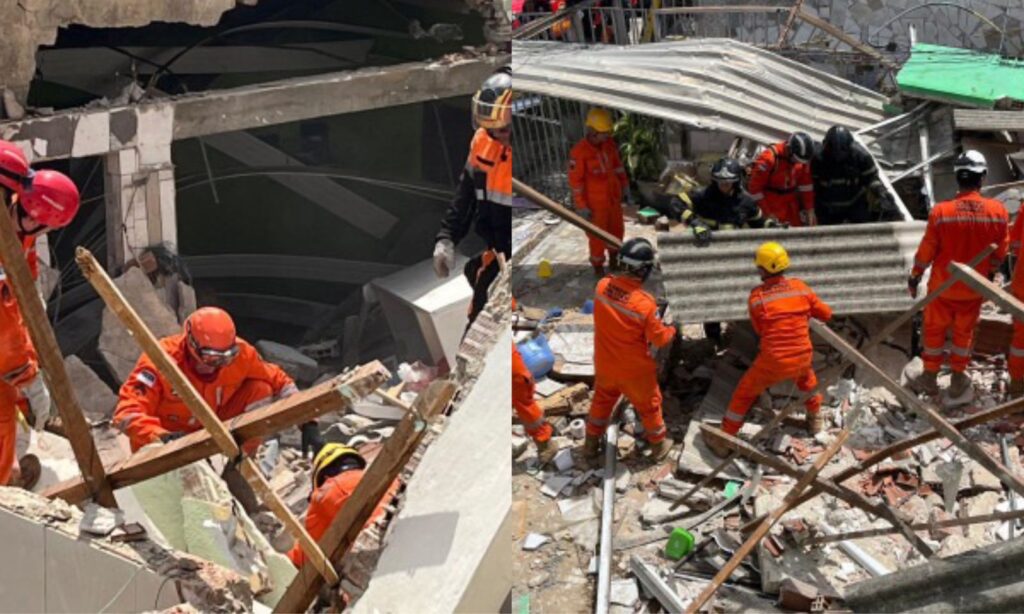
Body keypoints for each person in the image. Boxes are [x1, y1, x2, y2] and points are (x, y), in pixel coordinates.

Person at [703, 242, 832, 457]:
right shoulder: (801, 288)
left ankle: (724, 439)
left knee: (744, 393)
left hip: (774, 360)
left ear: (762, 269)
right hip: (802, 355)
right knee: (807, 382)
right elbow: (826, 314)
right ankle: (815, 421)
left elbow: (759, 329)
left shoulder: (757, 298)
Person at [0, 149, 81, 489]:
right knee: (3, 414)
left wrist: (30, 361)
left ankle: (11, 470)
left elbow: (21, 299)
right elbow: (3, 324)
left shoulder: (18, 223)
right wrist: (26, 375)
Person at [112, 307, 299, 453]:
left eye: (226, 358)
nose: (217, 365)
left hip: (209, 428)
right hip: (164, 441)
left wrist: (308, 422)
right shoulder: (160, 361)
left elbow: (280, 381)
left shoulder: (242, 355)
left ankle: (239, 466)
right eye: (210, 358)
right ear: (191, 344)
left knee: (260, 389)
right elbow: (126, 414)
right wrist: (161, 437)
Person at [908, 150, 1008, 399]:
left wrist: (915, 275)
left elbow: (926, 251)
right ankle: (957, 380)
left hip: (943, 287)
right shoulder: (998, 212)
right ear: (982, 176)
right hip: (973, 289)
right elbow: (1001, 253)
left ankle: (929, 377)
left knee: (933, 332)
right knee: (964, 334)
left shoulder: (941, 212)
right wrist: (992, 271)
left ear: (957, 177)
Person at [584, 238, 676, 466]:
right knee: (649, 405)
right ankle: (658, 447)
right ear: (643, 270)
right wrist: (672, 327)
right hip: (634, 370)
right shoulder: (644, 304)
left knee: (602, 400)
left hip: (605, 363)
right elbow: (660, 339)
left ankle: (590, 445)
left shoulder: (602, 286)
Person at [433, 67, 513, 329]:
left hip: (512, 254)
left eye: (503, 130)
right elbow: (465, 194)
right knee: (476, 292)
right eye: (491, 130)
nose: (496, 136)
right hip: (496, 247)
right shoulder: (482, 141)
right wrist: (447, 237)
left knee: (483, 322)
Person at [288, 443, 397, 568]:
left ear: (323, 475)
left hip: (368, 559)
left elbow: (308, 553)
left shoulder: (326, 492)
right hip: (398, 543)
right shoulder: (387, 478)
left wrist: (290, 557)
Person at [569, 107, 628, 276]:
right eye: (603, 133)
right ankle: (598, 268)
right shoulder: (579, 152)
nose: (607, 136)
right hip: (595, 205)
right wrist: (581, 206)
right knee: (597, 238)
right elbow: (576, 182)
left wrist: (624, 185)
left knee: (617, 230)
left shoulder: (609, 145)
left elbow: (618, 166)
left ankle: (615, 260)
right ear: (593, 131)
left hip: (612, 199)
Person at [684, 157, 779, 247]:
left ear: (736, 182)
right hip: (706, 247)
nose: (723, 185)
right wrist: (695, 223)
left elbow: (759, 222)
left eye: (728, 182)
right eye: (720, 181)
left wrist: (772, 225)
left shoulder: (746, 201)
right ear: (714, 181)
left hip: (733, 248)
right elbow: (673, 203)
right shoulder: (701, 196)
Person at [811, 125, 891, 225]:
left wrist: (880, 192)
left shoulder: (861, 157)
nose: (837, 158)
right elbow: (809, 185)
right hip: (826, 208)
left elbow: (871, 178)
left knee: (863, 231)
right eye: (834, 153)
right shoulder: (817, 159)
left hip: (854, 204)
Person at [748, 132, 816, 228]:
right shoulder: (769, 159)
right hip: (771, 204)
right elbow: (755, 189)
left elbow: (806, 185)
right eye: (796, 160)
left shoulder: (802, 159)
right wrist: (767, 213)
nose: (798, 163)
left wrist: (810, 209)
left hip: (791, 206)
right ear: (789, 150)